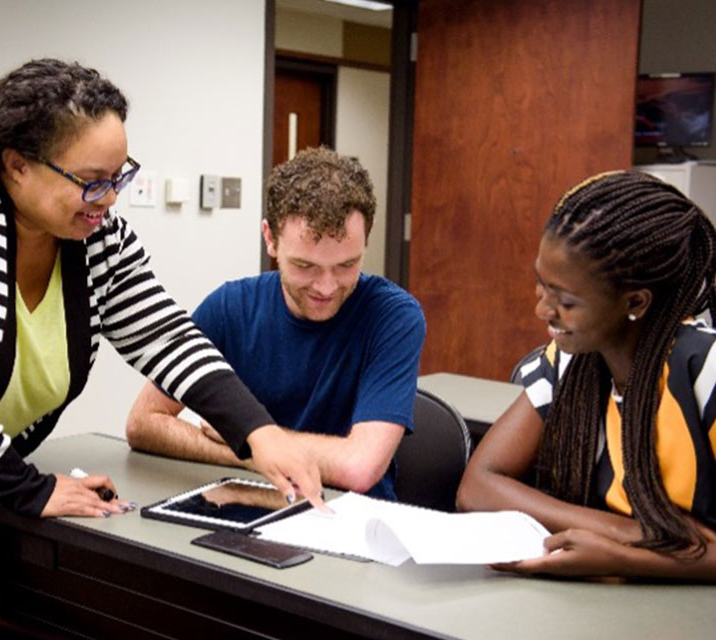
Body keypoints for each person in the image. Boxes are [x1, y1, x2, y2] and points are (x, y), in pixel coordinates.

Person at [0, 58, 324, 519]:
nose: (110, 199)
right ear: (17, 166)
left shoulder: (96, 238)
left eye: (118, 176)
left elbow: (166, 338)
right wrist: (29, 489)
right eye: (92, 182)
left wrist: (259, 432)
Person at [456, 170, 716, 581]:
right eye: (541, 286)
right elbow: (479, 485)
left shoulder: (706, 371)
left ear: (635, 301)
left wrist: (628, 558)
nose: (542, 310)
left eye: (566, 300)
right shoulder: (569, 361)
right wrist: (628, 534)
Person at [127, 147, 426, 501]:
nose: (326, 287)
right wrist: (252, 452)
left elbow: (358, 467)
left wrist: (248, 437)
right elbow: (143, 422)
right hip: (246, 505)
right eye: (306, 266)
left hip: (348, 521)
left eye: (347, 265)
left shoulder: (393, 317)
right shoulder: (230, 307)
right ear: (270, 238)